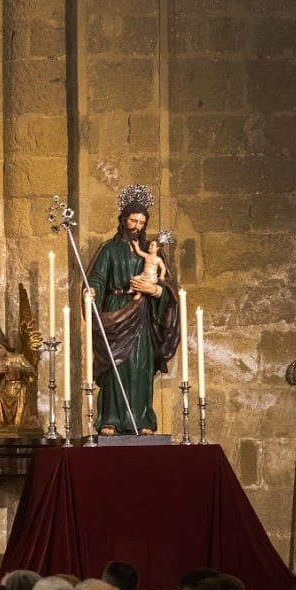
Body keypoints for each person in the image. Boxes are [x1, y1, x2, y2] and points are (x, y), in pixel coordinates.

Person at [84, 184, 180, 436]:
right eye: (133, 220)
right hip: (116, 312)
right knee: (117, 366)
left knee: (140, 365)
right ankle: (111, 419)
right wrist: (91, 290)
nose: (137, 226)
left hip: (143, 315)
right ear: (123, 220)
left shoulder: (152, 251)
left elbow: (169, 286)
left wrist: (155, 291)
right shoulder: (109, 250)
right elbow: (96, 278)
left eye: (141, 221)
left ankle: (141, 419)